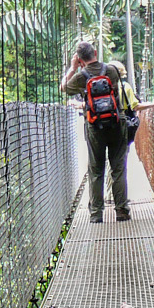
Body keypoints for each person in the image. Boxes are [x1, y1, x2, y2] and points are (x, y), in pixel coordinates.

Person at [61, 41, 129, 223]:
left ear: (80, 59)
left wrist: (72, 68)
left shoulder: (81, 76)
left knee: (96, 170)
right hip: (116, 122)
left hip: (94, 126)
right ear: (96, 52)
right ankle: (121, 210)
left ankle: (96, 215)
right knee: (118, 168)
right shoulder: (112, 70)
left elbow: (64, 88)